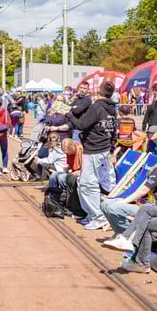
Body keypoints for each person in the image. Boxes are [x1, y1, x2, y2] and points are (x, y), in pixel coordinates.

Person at [63, 81, 118, 230]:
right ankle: (91, 214)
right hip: (103, 148)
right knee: (85, 183)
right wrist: (111, 147)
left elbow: (81, 125)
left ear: (99, 92)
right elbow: (114, 129)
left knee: (88, 184)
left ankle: (98, 217)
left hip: (94, 149)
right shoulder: (112, 108)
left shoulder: (97, 107)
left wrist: (68, 115)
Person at [100, 144, 157, 234]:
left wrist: (124, 201)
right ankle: (127, 233)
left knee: (112, 207)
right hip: (155, 208)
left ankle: (128, 235)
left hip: (147, 207)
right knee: (105, 204)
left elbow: (143, 190)